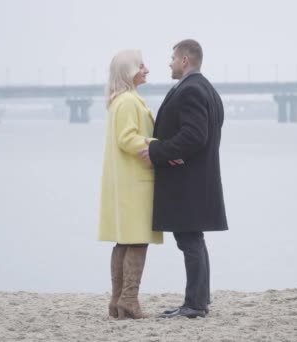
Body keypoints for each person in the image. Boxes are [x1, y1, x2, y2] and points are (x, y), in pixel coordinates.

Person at [139, 39, 229, 318]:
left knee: (190, 241)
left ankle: (195, 305)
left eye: (172, 58)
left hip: (189, 182)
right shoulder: (207, 89)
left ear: (185, 60)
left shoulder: (191, 90)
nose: (169, 63)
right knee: (193, 240)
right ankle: (197, 301)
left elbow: (194, 135)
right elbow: (201, 135)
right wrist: (177, 153)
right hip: (198, 179)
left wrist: (157, 151)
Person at [98, 49, 163, 320]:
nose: (146, 69)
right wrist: (160, 147)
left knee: (124, 241)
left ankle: (117, 302)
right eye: (141, 66)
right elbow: (127, 139)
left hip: (125, 181)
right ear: (129, 71)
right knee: (136, 241)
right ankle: (128, 300)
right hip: (134, 183)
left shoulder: (121, 100)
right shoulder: (127, 101)